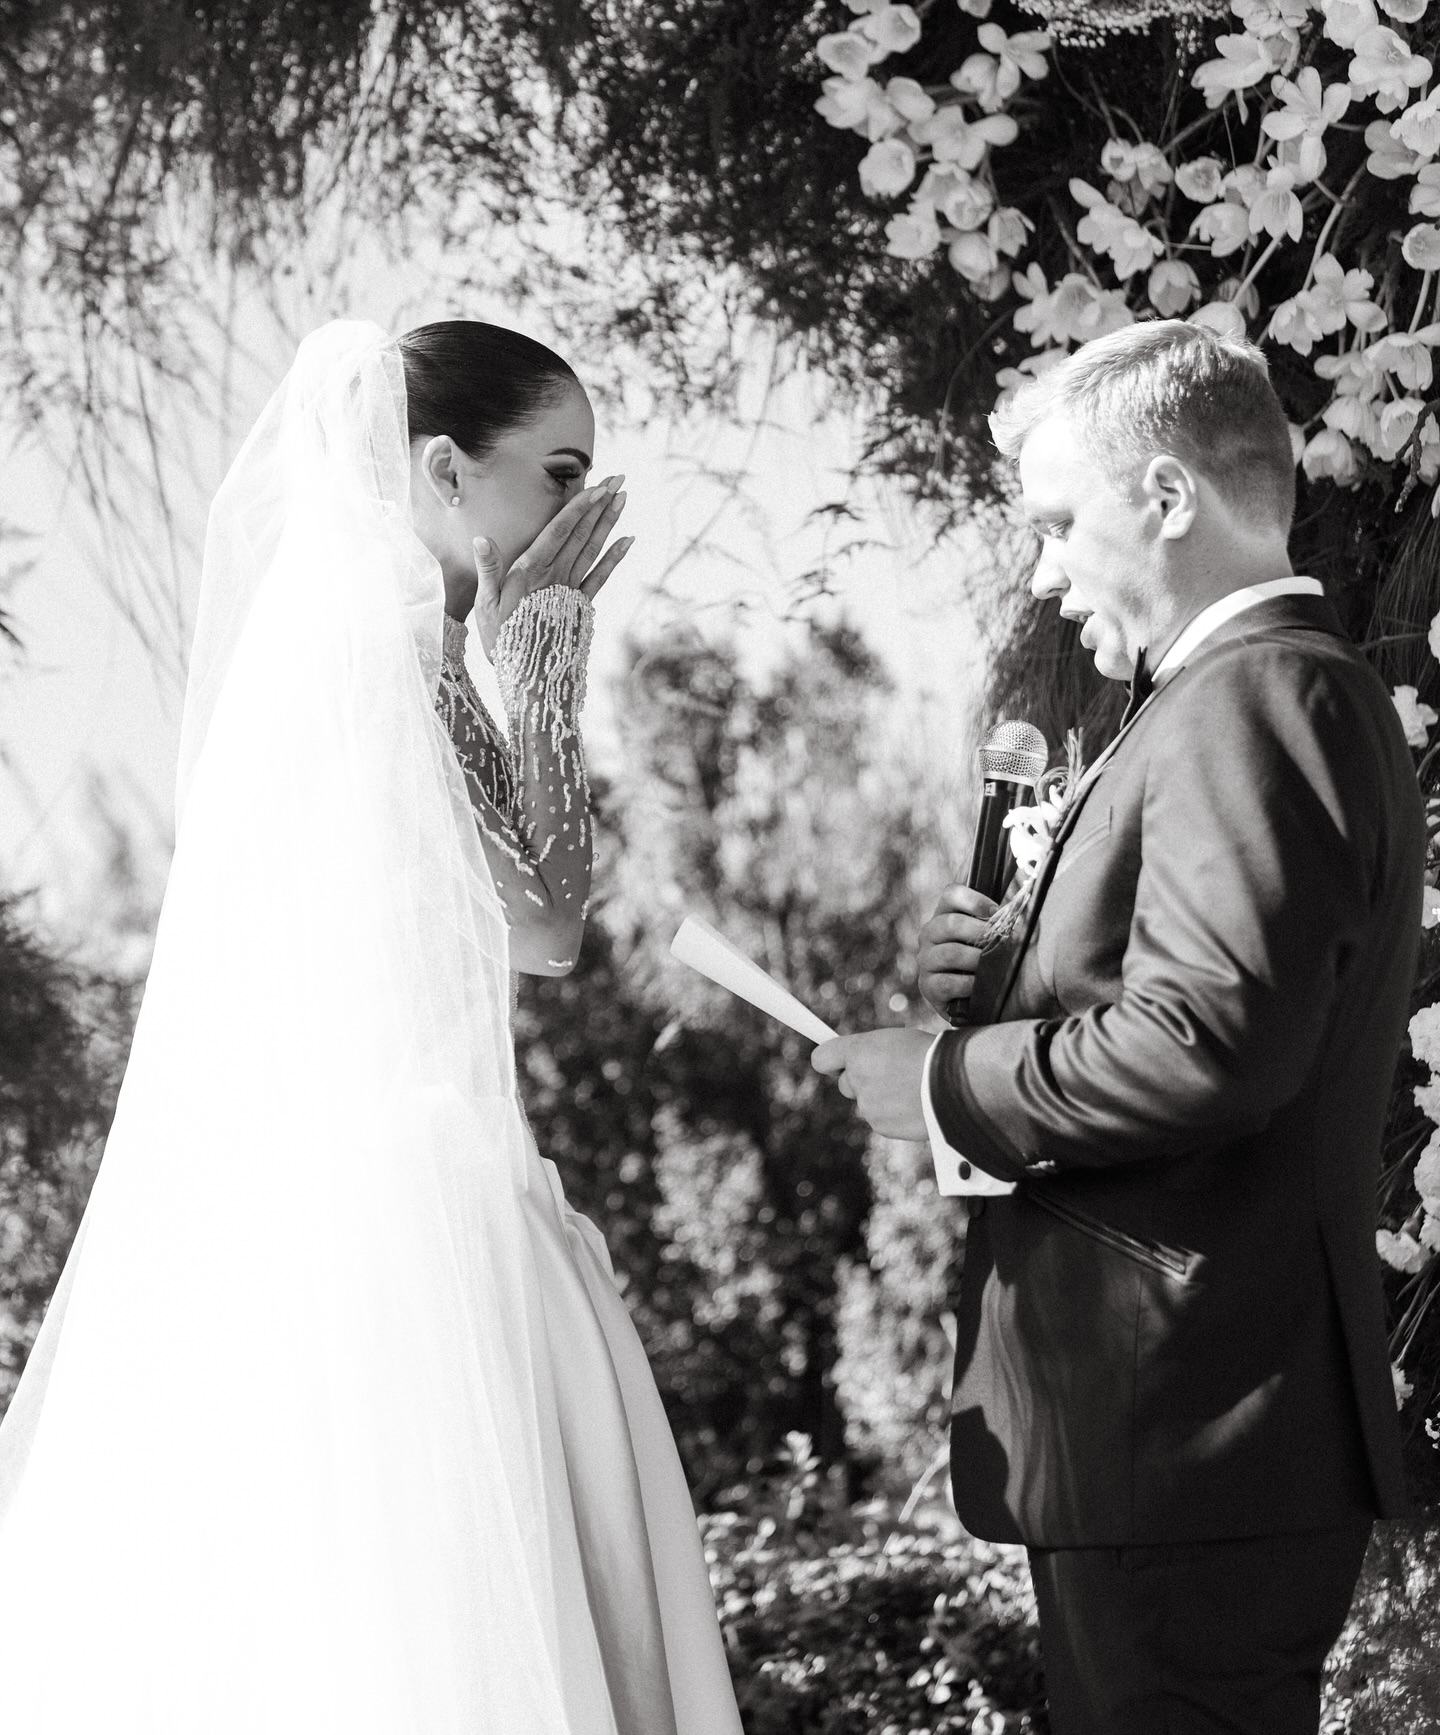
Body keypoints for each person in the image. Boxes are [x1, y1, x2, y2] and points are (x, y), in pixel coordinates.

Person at [0, 319, 743, 1735]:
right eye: (559, 473)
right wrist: (546, 662)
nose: (578, 516)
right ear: (446, 471)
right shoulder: (390, 658)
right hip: (412, 1220)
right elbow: (547, 924)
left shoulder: (380, 654)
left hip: (377, 1189)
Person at [812, 320, 1422, 1735]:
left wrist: (949, 1083)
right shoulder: (1238, 700)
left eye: (1056, 523)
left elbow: (1207, 1044)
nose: (1043, 571)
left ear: (1165, 495)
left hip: (1192, 1426)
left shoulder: (1252, 696)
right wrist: (1003, 984)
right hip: (1173, 1445)